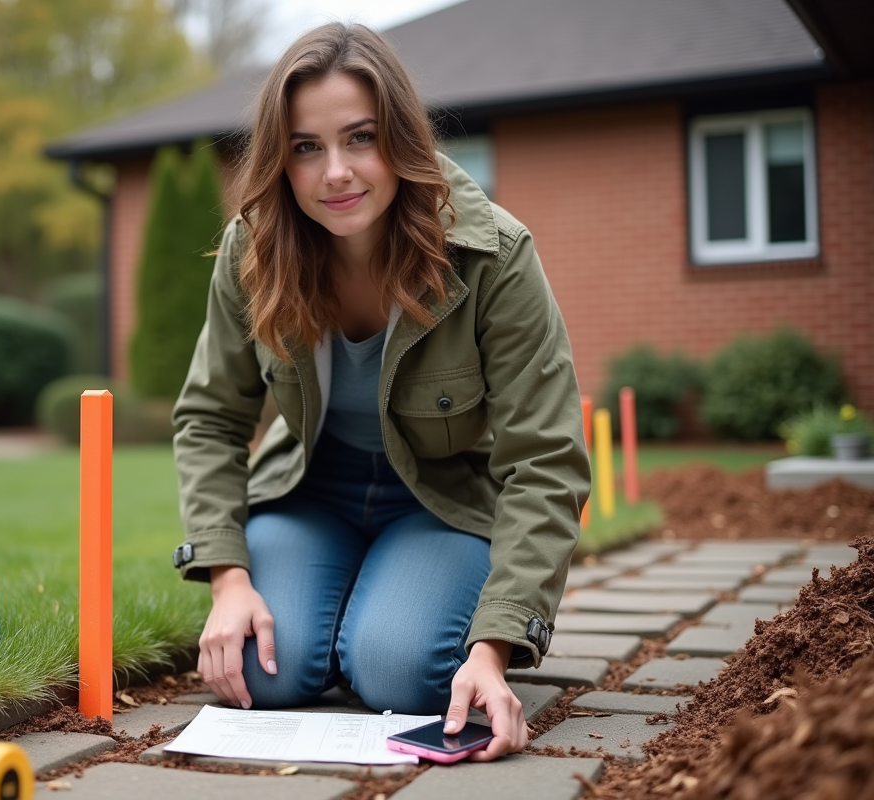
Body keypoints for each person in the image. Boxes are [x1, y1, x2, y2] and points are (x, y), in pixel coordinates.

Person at [170, 22, 590, 763]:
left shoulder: (494, 255)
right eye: (306, 147)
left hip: (441, 502)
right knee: (264, 673)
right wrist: (228, 580)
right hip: (310, 494)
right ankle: (345, 613)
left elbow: (547, 458)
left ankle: (384, 617)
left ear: (400, 137)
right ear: (281, 157)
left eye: (360, 138)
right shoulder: (255, 246)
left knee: (402, 670)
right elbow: (209, 416)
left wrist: (492, 648)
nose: (335, 172)